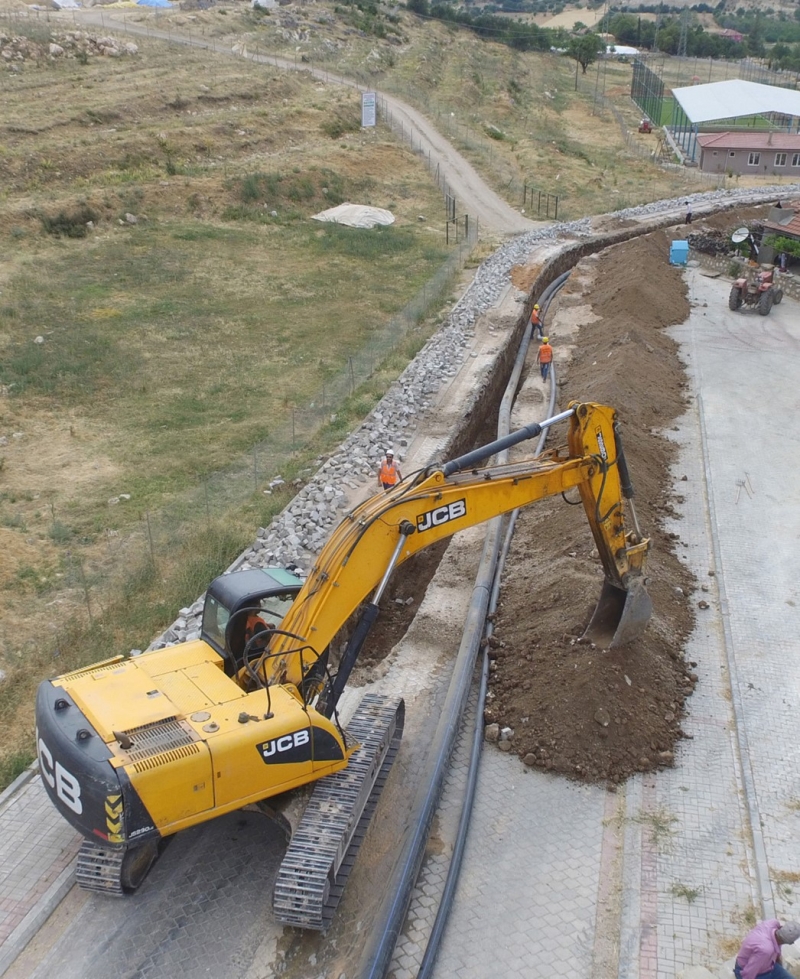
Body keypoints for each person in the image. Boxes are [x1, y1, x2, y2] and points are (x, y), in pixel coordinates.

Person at [734, 919, 800, 979]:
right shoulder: (766, 950)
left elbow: (777, 950)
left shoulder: (772, 923)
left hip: (768, 966)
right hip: (747, 970)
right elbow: (749, 973)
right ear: (790, 943)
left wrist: (778, 961)